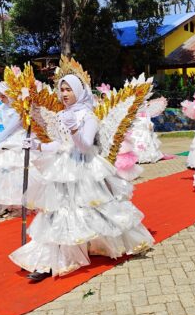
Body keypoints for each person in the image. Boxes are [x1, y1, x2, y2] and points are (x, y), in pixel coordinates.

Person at [9, 74, 154, 281]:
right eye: (62, 89)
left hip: (84, 167)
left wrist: (75, 128)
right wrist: (37, 145)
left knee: (96, 211)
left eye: (68, 90)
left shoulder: (89, 116)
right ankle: (50, 261)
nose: (64, 94)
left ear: (78, 91)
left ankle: (102, 244)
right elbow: (61, 143)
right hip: (63, 167)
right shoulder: (63, 114)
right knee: (58, 213)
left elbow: (84, 145)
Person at [0, 82, 40, 214]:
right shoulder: (2, 108)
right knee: (6, 173)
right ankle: (9, 202)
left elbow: (7, 130)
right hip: (7, 141)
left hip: (18, 141)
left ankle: (23, 202)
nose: (1, 99)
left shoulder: (19, 110)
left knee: (17, 172)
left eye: (3, 96)